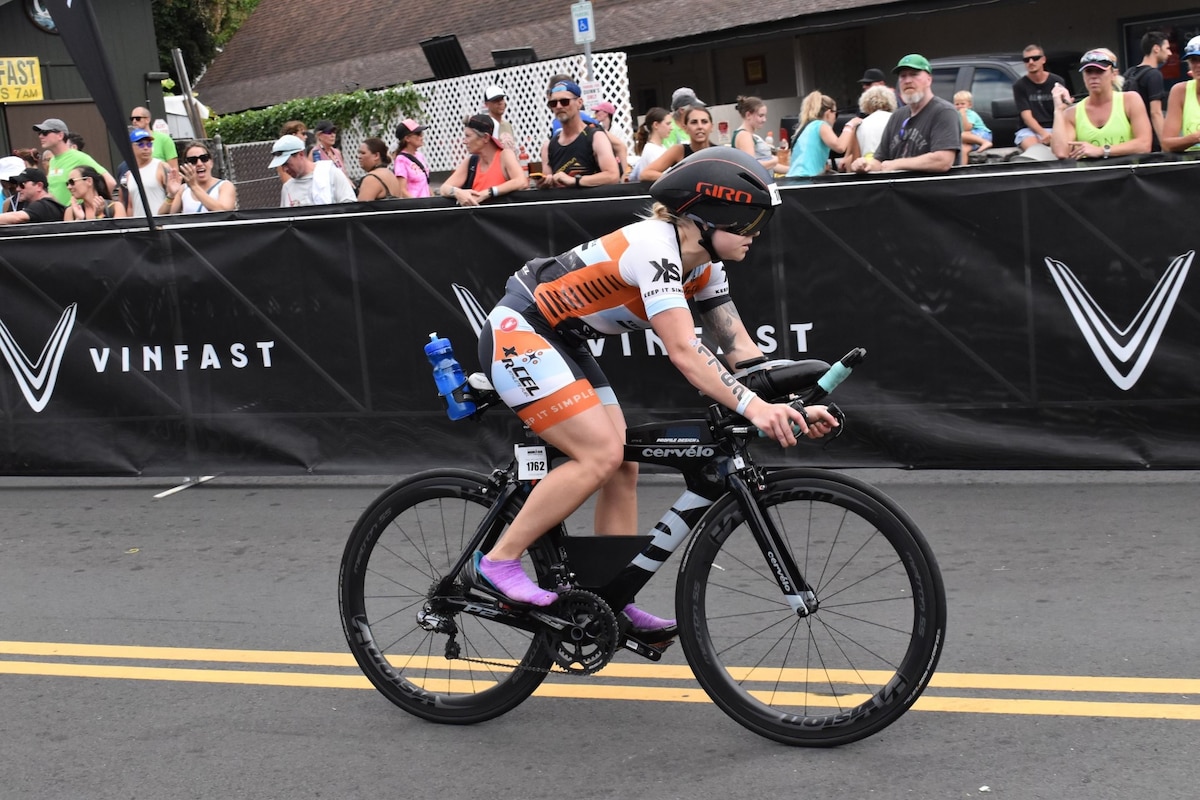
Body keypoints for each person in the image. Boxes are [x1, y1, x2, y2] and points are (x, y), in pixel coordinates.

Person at [469, 148, 839, 627]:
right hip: (522, 328)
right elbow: (685, 351)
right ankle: (499, 560)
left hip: (565, 337)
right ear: (705, 218)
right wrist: (753, 408)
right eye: (747, 223)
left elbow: (741, 352)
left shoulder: (704, 265)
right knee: (599, 453)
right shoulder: (655, 248)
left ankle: (606, 599)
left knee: (622, 461)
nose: (757, 234)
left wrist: (786, 407)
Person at [849, 54, 962, 174]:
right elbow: (880, 161)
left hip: (933, 191)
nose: (907, 80)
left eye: (914, 74)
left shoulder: (943, 112)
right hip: (898, 191)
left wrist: (897, 164)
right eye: (903, 76)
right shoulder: (897, 116)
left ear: (929, 79)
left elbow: (942, 161)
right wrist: (865, 165)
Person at [1052, 48, 1152, 160]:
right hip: (1092, 176)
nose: (1093, 76)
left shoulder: (1130, 100)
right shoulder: (1072, 113)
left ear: (1114, 74)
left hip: (1127, 175)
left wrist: (1102, 150)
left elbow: (1144, 145)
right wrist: (1058, 111)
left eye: (1100, 71)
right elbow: (1061, 153)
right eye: (1089, 71)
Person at [539, 80, 620, 189]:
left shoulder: (595, 137)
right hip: (562, 205)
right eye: (553, 103)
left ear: (579, 102)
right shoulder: (548, 147)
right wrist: (543, 184)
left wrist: (575, 181)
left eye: (564, 101)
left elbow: (612, 176)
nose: (558, 106)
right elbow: (548, 184)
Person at [439, 115, 526, 205]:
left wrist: (489, 192)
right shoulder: (471, 162)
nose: (464, 141)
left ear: (485, 138)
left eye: (468, 136)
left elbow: (521, 181)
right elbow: (443, 188)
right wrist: (458, 192)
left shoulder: (505, 155)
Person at [36, 118, 115, 205]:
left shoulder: (79, 157)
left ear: (60, 135)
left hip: (77, 215)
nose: (40, 136)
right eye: (39, 133)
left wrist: (92, 207)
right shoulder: (52, 161)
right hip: (61, 216)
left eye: (45, 133)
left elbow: (110, 182)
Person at [786, 92, 860, 177]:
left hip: (793, 178)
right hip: (806, 179)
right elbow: (840, 147)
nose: (835, 119)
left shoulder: (805, 128)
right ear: (828, 113)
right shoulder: (821, 125)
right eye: (835, 114)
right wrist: (850, 125)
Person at [269, 134, 355, 207]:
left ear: (301, 154)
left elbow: (350, 206)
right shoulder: (287, 188)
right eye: (282, 165)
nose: (284, 169)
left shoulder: (331, 174)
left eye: (286, 163)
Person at [1012, 44, 1070, 151]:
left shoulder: (1057, 81)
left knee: (1065, 150)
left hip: (1055, 126)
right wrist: (1043, 134)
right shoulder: (1019, 86)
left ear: (1043, 60)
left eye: (1035, 58)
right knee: (1035, 151)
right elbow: (1026, 116)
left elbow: (1064, 109)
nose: (1031, 62)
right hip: (1029, 130)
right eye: (1026, 60)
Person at [637, 104, 715, 181]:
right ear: (685, 128)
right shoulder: (679, 151)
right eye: (694, 122)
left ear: (711, 127)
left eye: (704, 122)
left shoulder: (719, 151)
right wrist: (679, 179)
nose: (700, 126)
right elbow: (645, 174)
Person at [1124, 30, 1172, 151]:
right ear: (1156, 48)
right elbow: (1155, 113)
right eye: (1167, 48)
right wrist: (1165, 145)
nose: (1170, 53)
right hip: (1151, 142)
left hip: (1132, 139)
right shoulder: (1154, 75)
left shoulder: (1129, 73)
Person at [168, 141, 238, 213]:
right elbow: (164, 217)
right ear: (186, 165)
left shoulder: (225, 185)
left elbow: (224, 212)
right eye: (193, 160)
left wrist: (194, 186)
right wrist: (171, 195)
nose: (199, 163)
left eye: (204, 158)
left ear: (211, 162)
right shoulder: (183, 189)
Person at [843, 85, 898, 167]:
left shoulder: (860, 125)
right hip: (894, 169)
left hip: (869, 171)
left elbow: (855, 160)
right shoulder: (897, 120)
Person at [1162, 35, 1200, 153]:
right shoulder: (1180, 91)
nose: (1198, 65)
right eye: (1194, 59)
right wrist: (1195, 138)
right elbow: (1167, 144)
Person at [122, 129, 172, 217]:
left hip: (160, 225)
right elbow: (130, 206)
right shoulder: (129, 174)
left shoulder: (161, 167)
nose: (146, 148)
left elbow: (174, 197)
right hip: (140, 227)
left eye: (149, 144)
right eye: (141, 144)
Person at [731, 96, 781, 173]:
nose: (764, 120)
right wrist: (774, 161)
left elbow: (770, 166)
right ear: (748, 115)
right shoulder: (744, 136)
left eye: (765, 115)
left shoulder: (751, 136)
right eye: (761, 116)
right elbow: (752, 166)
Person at [0, 169, 66, 225]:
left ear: (39, 186)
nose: (18, 189)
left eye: (22, 184)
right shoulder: (48, 204)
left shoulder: (44, 205)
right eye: (17, 185)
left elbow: (18, 217)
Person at [63, 165, 127, 220]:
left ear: (89, 181)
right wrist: (79, 219)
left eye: (72, 182)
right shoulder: (71, 212)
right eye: (67, 184)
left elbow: (117, 233)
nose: (69, 187)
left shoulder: (115, 207)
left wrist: (100, 216)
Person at [628, 106, 670, 182]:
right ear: (656, 125)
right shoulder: (651, 150)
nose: (671, 127)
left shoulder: (661, 147)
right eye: (667, 124)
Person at [392, 119, 432, 198]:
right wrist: (417, 204)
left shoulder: (419, 156)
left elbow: (425, 184)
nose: (421, 137)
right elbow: (402, 190)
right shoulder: (401, 160)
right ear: (407, 138)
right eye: (418, 134)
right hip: (416, 205)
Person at [591, 100, 630, 179]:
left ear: (606, 113)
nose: (595, 114)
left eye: (597, 111)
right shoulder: (599, 127)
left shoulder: (616, 129)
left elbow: (622, 149)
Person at [954, 90, 993, 160]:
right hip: (970, 139)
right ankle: (963, 169)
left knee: (961, 135)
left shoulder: (970, 114)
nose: (960, 106)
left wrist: (963, 115)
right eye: (957, 104)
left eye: (962, 104)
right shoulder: (956, 115)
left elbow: (967, 128)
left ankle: (985, 143)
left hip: (982, 135)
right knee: (963, 149)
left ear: (969, 105)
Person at [484, 85, 519, 151]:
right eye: (495, 100)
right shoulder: (485, 126)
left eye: (501, 99)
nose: (500, 102)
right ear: (486, 104)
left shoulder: (507, 125)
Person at [276, 120, 308, 185]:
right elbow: (289, 184)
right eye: (303, 134)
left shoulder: (303, 152)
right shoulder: (283, 159)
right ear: (294, 135)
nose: (306, 137)